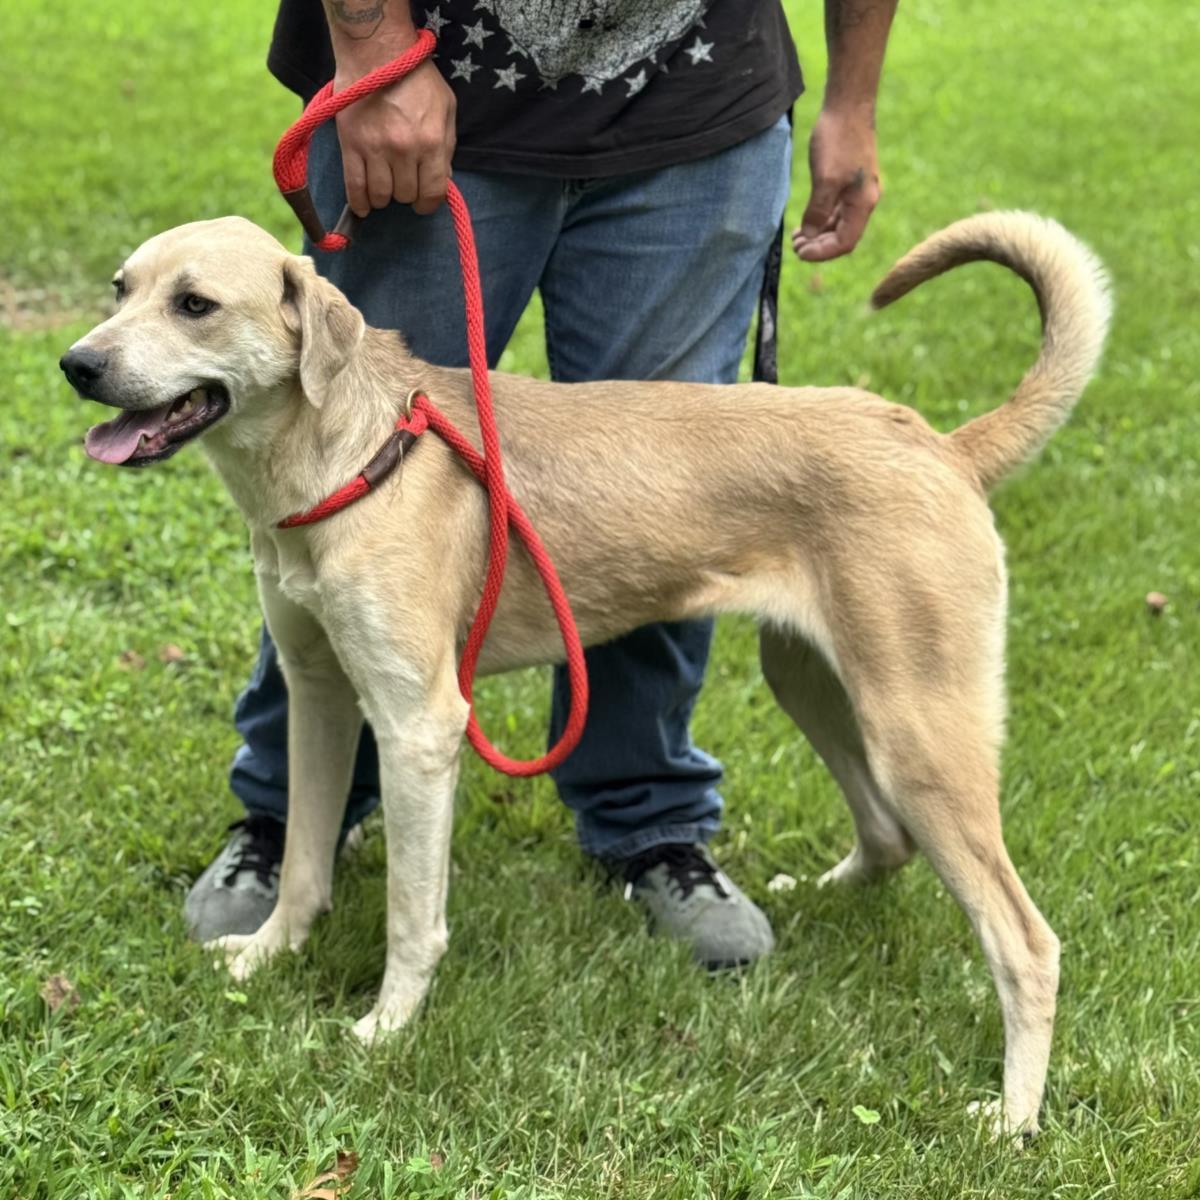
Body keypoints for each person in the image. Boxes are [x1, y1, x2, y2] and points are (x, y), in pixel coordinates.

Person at [186, 0, 897, 966]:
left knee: (662, 516)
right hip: (429, 99)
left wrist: (852, 97)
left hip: (700, 108)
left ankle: (647, 819)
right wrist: (372, 45)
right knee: (338, 467)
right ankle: (287, 822)